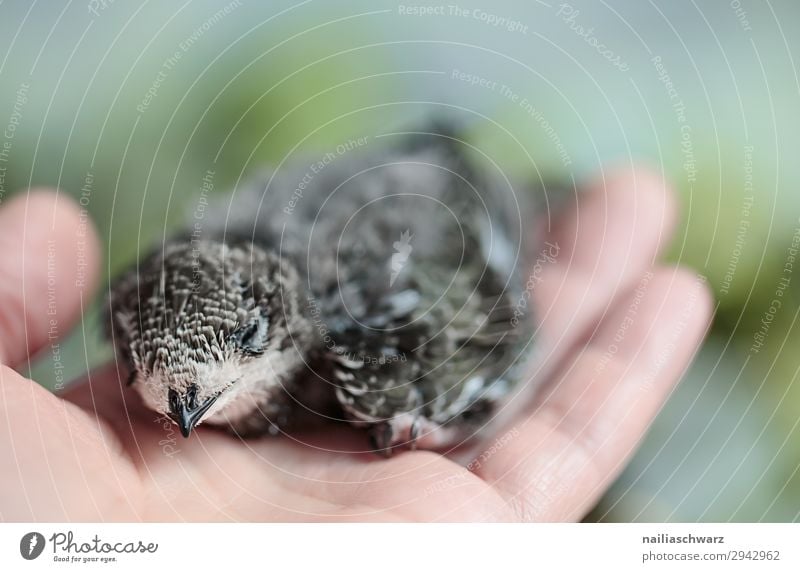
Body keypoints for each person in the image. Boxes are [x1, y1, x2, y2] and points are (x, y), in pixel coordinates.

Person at [0, 166, 711, 521]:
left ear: (276, 331)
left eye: (241, 343)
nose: (178, 400)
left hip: (434, 202)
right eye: (143, 365)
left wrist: (420, 408)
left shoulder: (375, 349)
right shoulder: (155, 292)